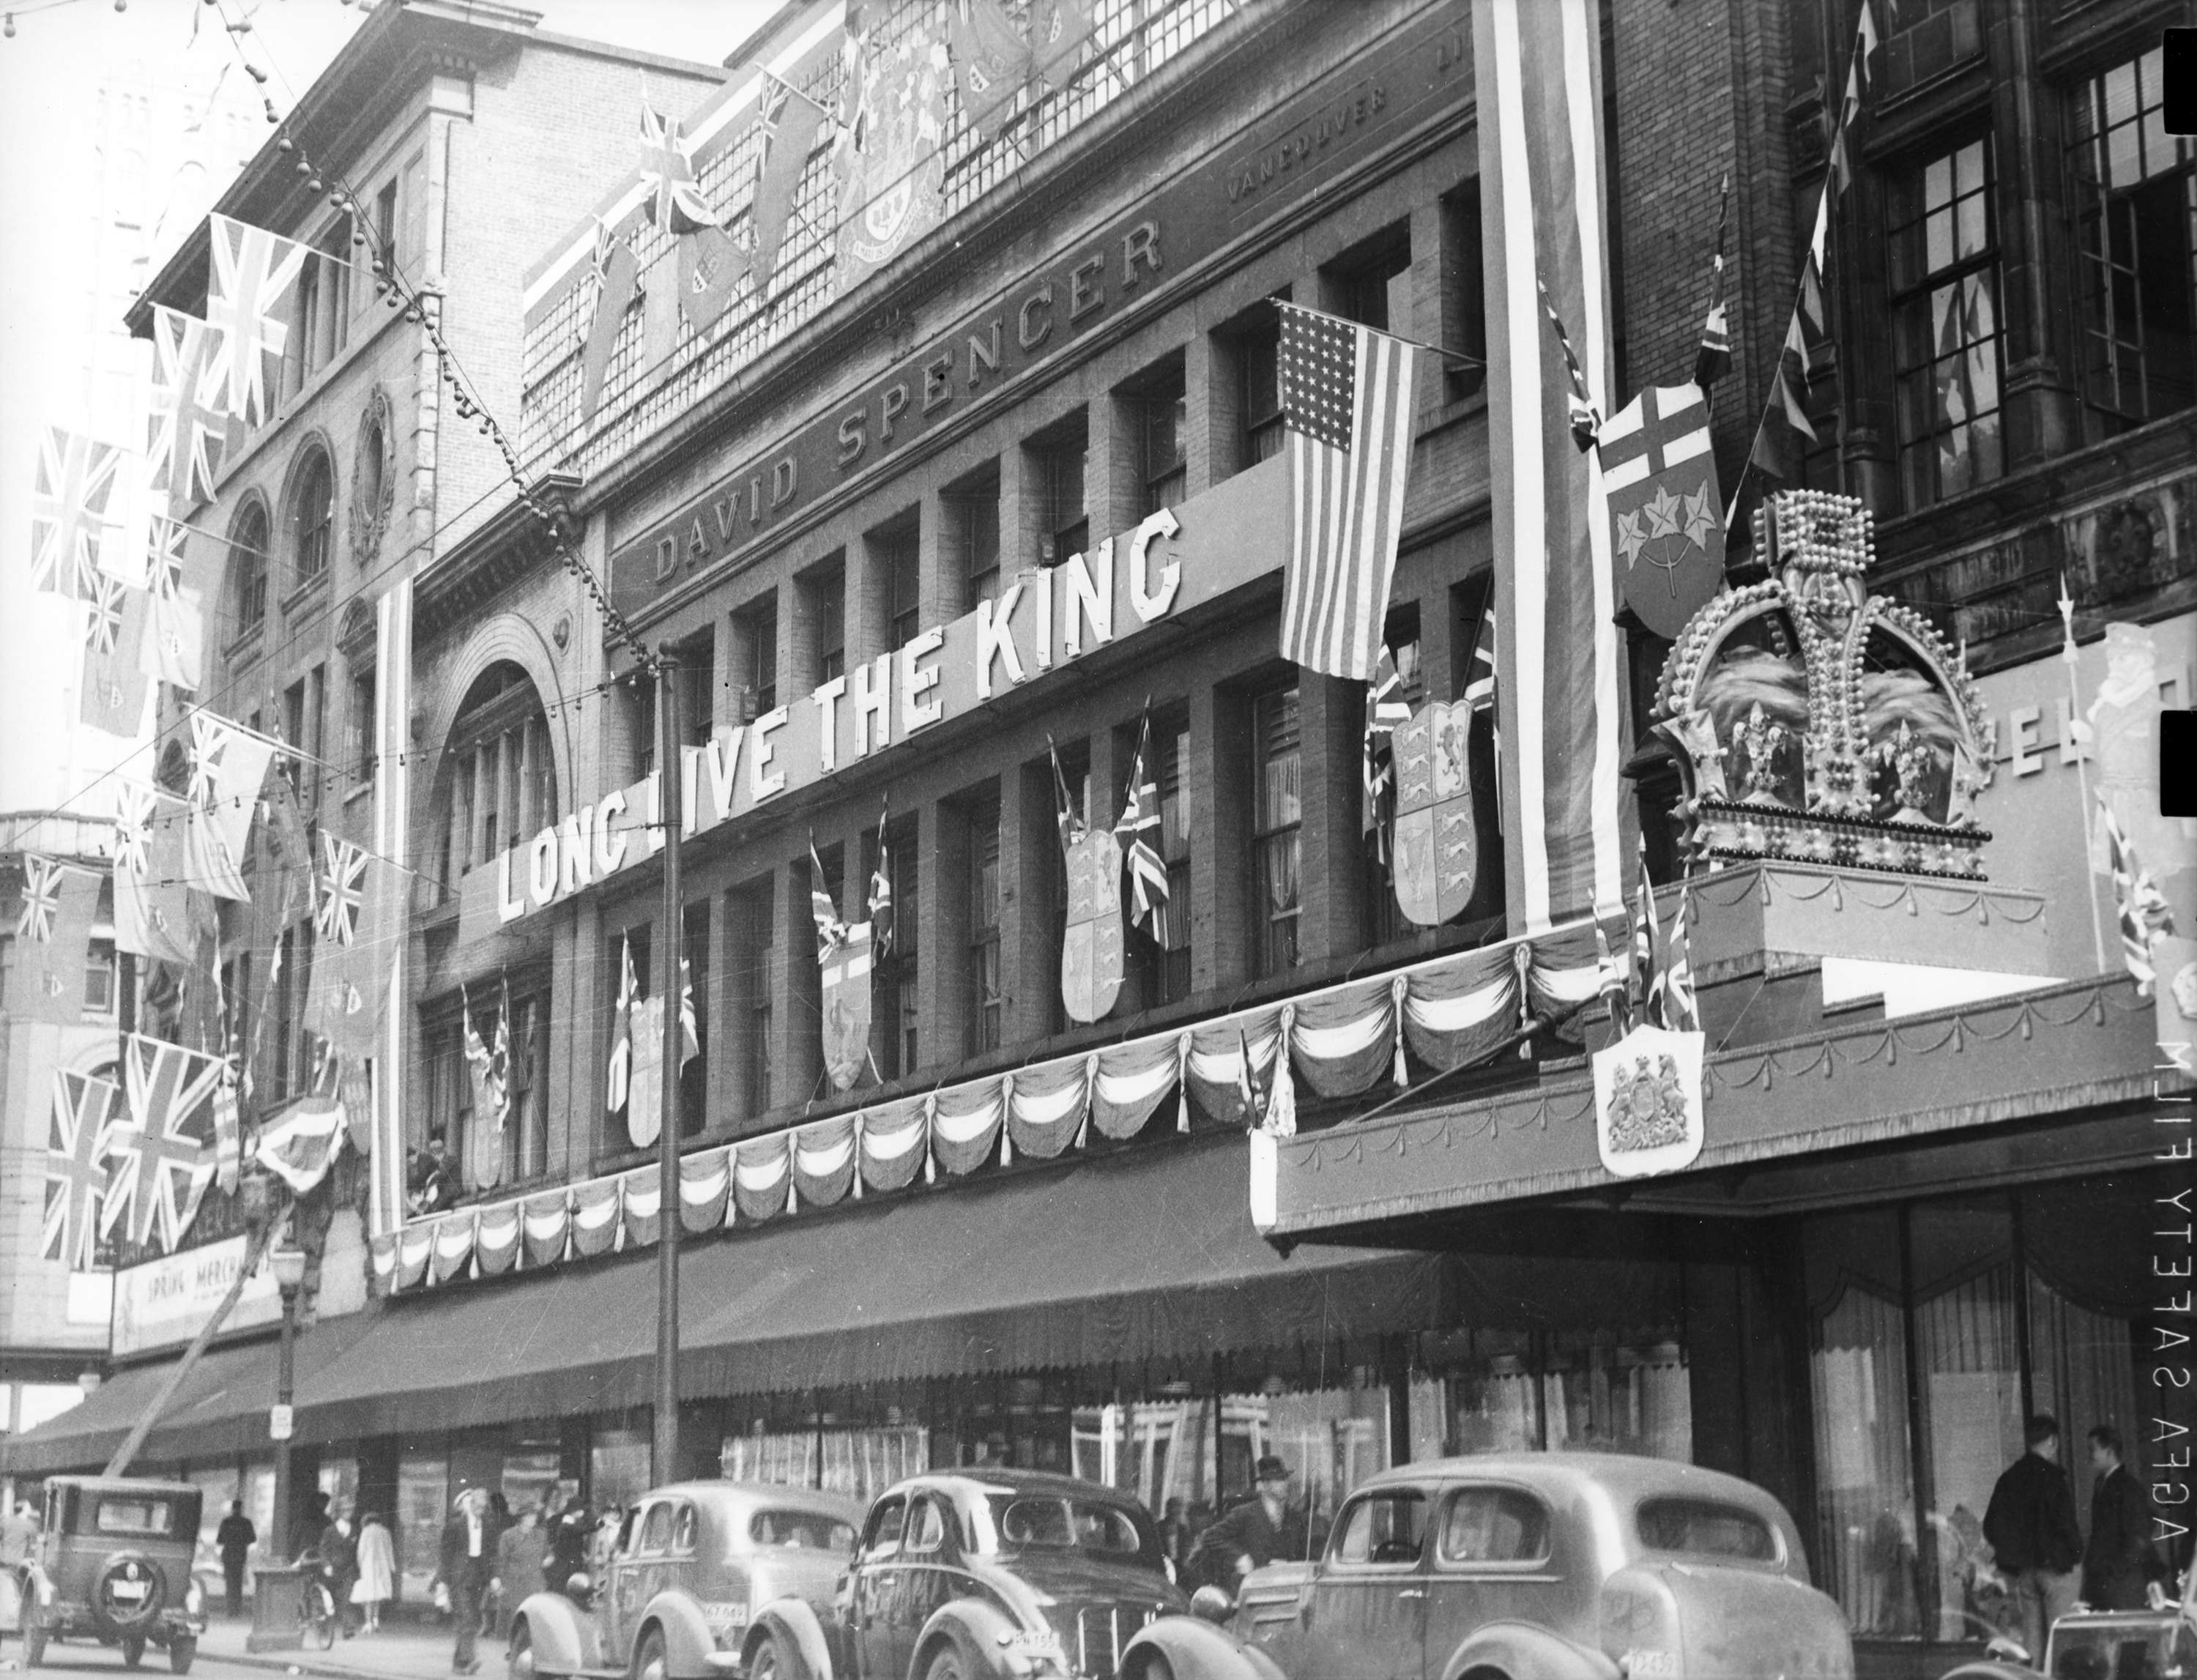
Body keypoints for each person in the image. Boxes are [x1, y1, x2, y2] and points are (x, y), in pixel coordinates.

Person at [1983, 1414, 2084, 1659]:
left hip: (2026, 1571)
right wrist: (2077, 1554)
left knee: (2033, 1645)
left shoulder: (2009, 1478)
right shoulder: (2053, 1478)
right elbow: (2066, 1525)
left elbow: (1990, 1526)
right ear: (2053, 1441)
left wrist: (2013, 1554)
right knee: (2061, 1641)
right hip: (2057, 1569)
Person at [1186, 1457, 1317, 1597]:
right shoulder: (1245, 1514)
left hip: (1288, 1590)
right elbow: (1211, 1536)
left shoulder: (1294, 1518)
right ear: (1265, 1485)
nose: (1285, 1484)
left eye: (1285, 1479)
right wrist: (1240, 1557)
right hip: (1253, 1591)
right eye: (1278, 1480)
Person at [2082, 1424, 2158, 1611]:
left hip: (2122, 1585)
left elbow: (2139, 1538)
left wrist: (2113, 1571)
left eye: (2093, 1450)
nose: (2089, 1456)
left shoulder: (2128, 1487)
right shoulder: (2103, 1485)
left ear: (2109, 1451)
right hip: (2106, 1583)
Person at [438, 1487, 494, 1675]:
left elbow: (491, 1552)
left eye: (483, 1507)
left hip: (479, 1576)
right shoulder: (455, 1525)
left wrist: (494, 1577)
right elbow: (445, 1555)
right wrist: (442, 1582)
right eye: (477, 1506)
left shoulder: (488, 1524)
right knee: (466, 1618)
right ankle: (469, 1658)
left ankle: (459, 1664)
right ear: (470, 1505)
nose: (480, 1510)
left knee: (471, 1620)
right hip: (459, 1577)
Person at [494, 1505, 547, 1637]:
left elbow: (547, 1554)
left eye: (535, 1516)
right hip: (515, 1581)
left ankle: (528, 1645)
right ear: (522, 1518)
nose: (534, 1519)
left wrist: (549, 1559)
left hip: (535, 1580)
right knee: (517, 1615)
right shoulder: (508, 1535)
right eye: (530, 1516)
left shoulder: (541, 1535)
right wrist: (498, 1579)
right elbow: (501, 1559)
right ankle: (516, 1645)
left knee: (534, 1615)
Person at [318, 1509, 360, 1638]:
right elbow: (323, 1549)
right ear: (340, 1512)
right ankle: (324, 1627)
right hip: (332, 1570)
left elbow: (357, 1550)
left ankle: (348, 1629)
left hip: (348, 1570)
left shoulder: (355, 1530)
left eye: (350, 1510)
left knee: (347, 1598)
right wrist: (326, 1565)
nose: (349, 1513)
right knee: (328, 1600)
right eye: (346, 1510)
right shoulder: (330, 1530)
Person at [353, 1512, 395, 1634]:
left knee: (368, 1596)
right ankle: (376, 1621)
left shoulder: (366, 1531)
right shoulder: (385, 1531)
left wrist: (360, 1565)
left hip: (368, 1566)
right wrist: (392, 1566)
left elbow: (361, 1551)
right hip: (383, 1566)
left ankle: (368, 1623)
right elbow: (389, 1549)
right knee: (378, 1595)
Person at [215, 1500, 256, 1616]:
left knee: (229, 1583)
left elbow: (219, 1540)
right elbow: (252, 1539)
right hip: (240, 1555)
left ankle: (230, 1610)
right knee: (237, 1584)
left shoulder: (226, 1522)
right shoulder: (246, 1523)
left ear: (232, 1508)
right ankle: (237, 1610)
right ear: (241, 1508)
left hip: (228, 1555)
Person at [1, 1500, 42, 1567]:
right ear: (24, 1509)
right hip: (18, 1563)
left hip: (3, 1560)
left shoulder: (5, 1521)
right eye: (29, 1507)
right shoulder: (30, 1525)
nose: (30, 1508)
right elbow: (33, 1546)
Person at [1157, 1498, 1191, 1571]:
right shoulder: (1158, 1527)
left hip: (1179, 1566)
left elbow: (1185, 1549)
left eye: (1179, 1510)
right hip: (1163, 1565)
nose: (1176, 1512)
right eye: (1173, 1508)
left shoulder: (1183, 1529)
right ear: (1167, 1510)